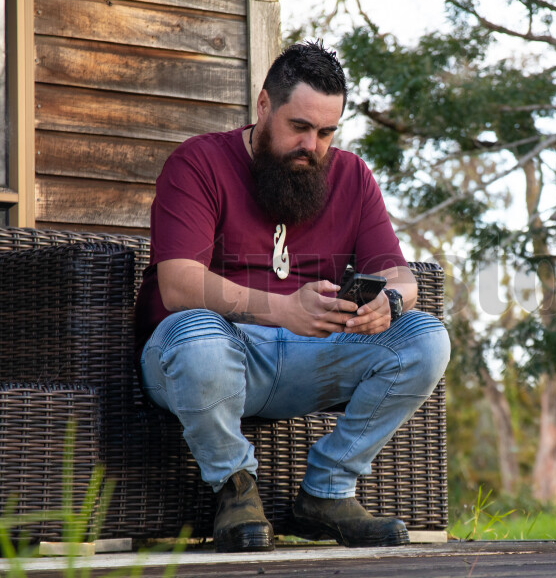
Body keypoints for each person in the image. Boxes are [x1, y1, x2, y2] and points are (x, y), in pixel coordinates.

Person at [134, 41, 451, 553]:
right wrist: (282, 308)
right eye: (299, 127)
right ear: (264, 107)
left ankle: (327, 493)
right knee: (196, 338)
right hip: (209, 357)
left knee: (425, 338)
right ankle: (235, 488)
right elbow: (177, 283)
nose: (313, 145)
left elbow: (402, 277)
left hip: (311, 357)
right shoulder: (199, 162)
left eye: (326, 132)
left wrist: (387, 304)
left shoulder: (351, 175)